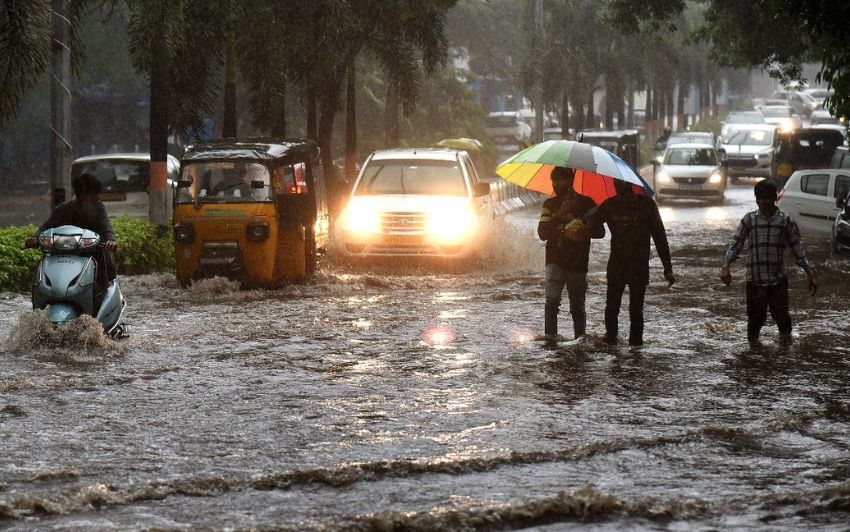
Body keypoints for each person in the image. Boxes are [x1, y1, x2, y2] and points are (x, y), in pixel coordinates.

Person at [720, 179, 817, 344]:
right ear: (756, 199)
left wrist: (810, 274)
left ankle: (784, 355)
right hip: (755, 281)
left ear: (775, 199)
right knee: (755, 322)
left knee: (783, 320)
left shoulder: (785, 221)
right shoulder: (749, 220)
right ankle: (754, 357)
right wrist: (726, 266)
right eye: (759, 198)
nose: (763, 202)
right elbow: (736, 244)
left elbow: (797, 250)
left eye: (767, 198)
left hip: (777, 281)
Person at [589, 179, 675, 346]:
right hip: (634, 265)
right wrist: (667, 268)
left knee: (615, 307)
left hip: (624, 265)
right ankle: (634, 346)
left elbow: (595, 228)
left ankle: (613, 341)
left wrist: (591, 216)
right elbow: (660, 237)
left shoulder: (611, 204)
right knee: (631, 309)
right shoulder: (646, 204)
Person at [537, 167, 605, 340]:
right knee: (551, 303)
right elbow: (543, 233)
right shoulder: (549, 205)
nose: (557, 185)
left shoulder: (586, 203)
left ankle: (580, 340)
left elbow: (600, 231)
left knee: (577, 307)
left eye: (560, 180)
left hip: (578, 262)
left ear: (570, 181)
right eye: (554, 181)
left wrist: (583, 225)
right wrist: (558, 216)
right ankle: (550, 340)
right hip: (554, 260)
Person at [25, 173, 118, 293]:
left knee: (103, 277)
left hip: (92, 253)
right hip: (62, 254)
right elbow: (45, 227)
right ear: (82, 195)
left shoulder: (99, 208)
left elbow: (106, 227)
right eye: (95, 194)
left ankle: (101, 292)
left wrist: (111, 240)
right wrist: (35, 238)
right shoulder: (62, 209)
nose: (99, 197)